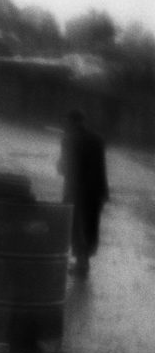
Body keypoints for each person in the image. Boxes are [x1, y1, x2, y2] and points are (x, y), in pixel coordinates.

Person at [58, 109, 109, 277]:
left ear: (71, 122)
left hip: (77, 191)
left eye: (66, 122)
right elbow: (101, 168)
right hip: (96, 191)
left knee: (76, 227)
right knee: (90, 227)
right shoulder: (97, 139)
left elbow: (64, 168)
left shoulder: (70, 139)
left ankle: (81, 266)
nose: (64, 125)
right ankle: (84, 264)